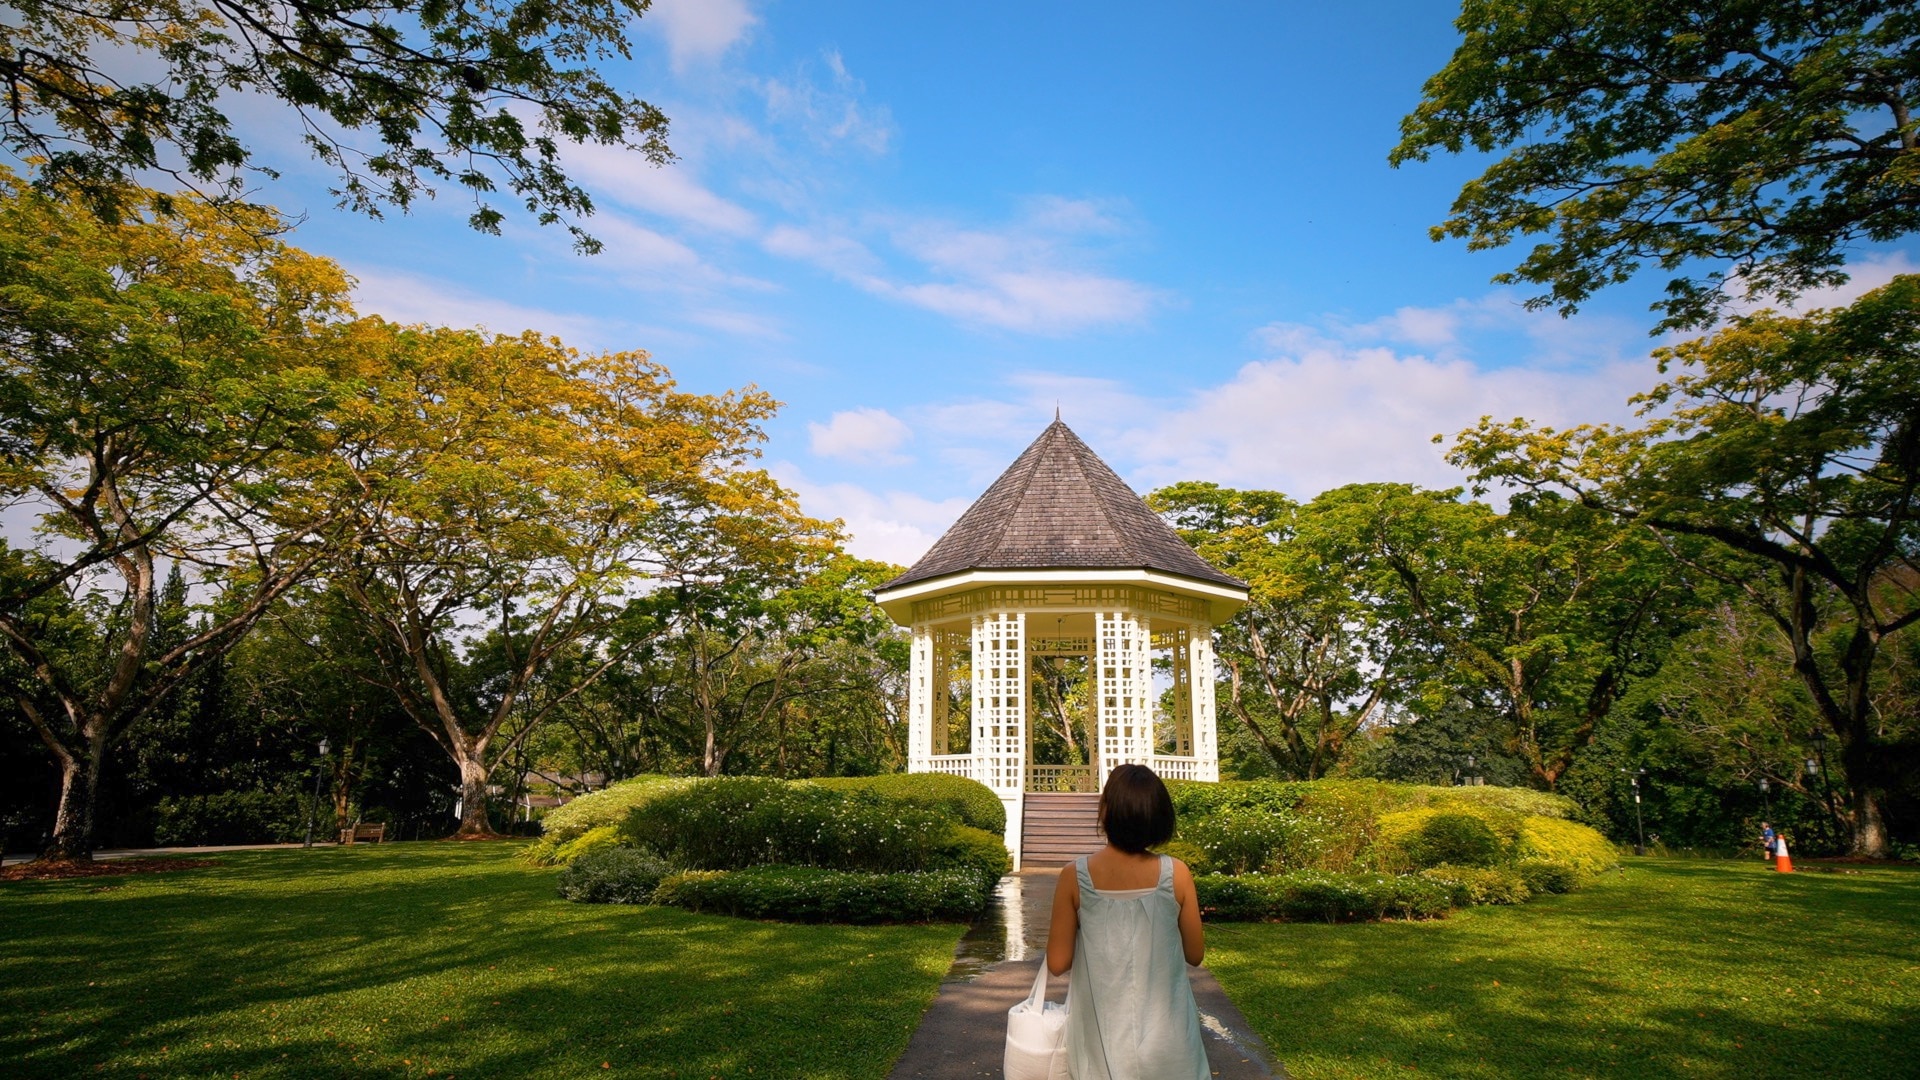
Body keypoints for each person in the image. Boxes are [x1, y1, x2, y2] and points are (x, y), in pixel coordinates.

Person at [1045, 763, 1208, 1079]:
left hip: (1100, 1037)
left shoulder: (1074, 877)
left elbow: (1057, 963)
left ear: (1106, 811)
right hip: (1169, 1039)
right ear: (1158, 816)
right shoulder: (1177, 874)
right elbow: (1195, 954)